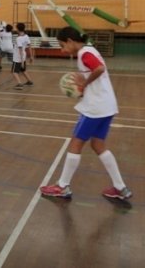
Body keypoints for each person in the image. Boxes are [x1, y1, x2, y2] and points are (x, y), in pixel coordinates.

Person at [40, 26, 132, 200]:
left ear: (70, 41)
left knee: (76, 143)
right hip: (107, 105)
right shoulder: (90, 49)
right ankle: (120, 187)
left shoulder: (83, 53)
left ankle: (62, 186)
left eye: (62, 45)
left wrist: (84, 83)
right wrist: (84, 89)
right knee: (98, 145)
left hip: (95, 108)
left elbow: (99, 69)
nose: (62, 50)